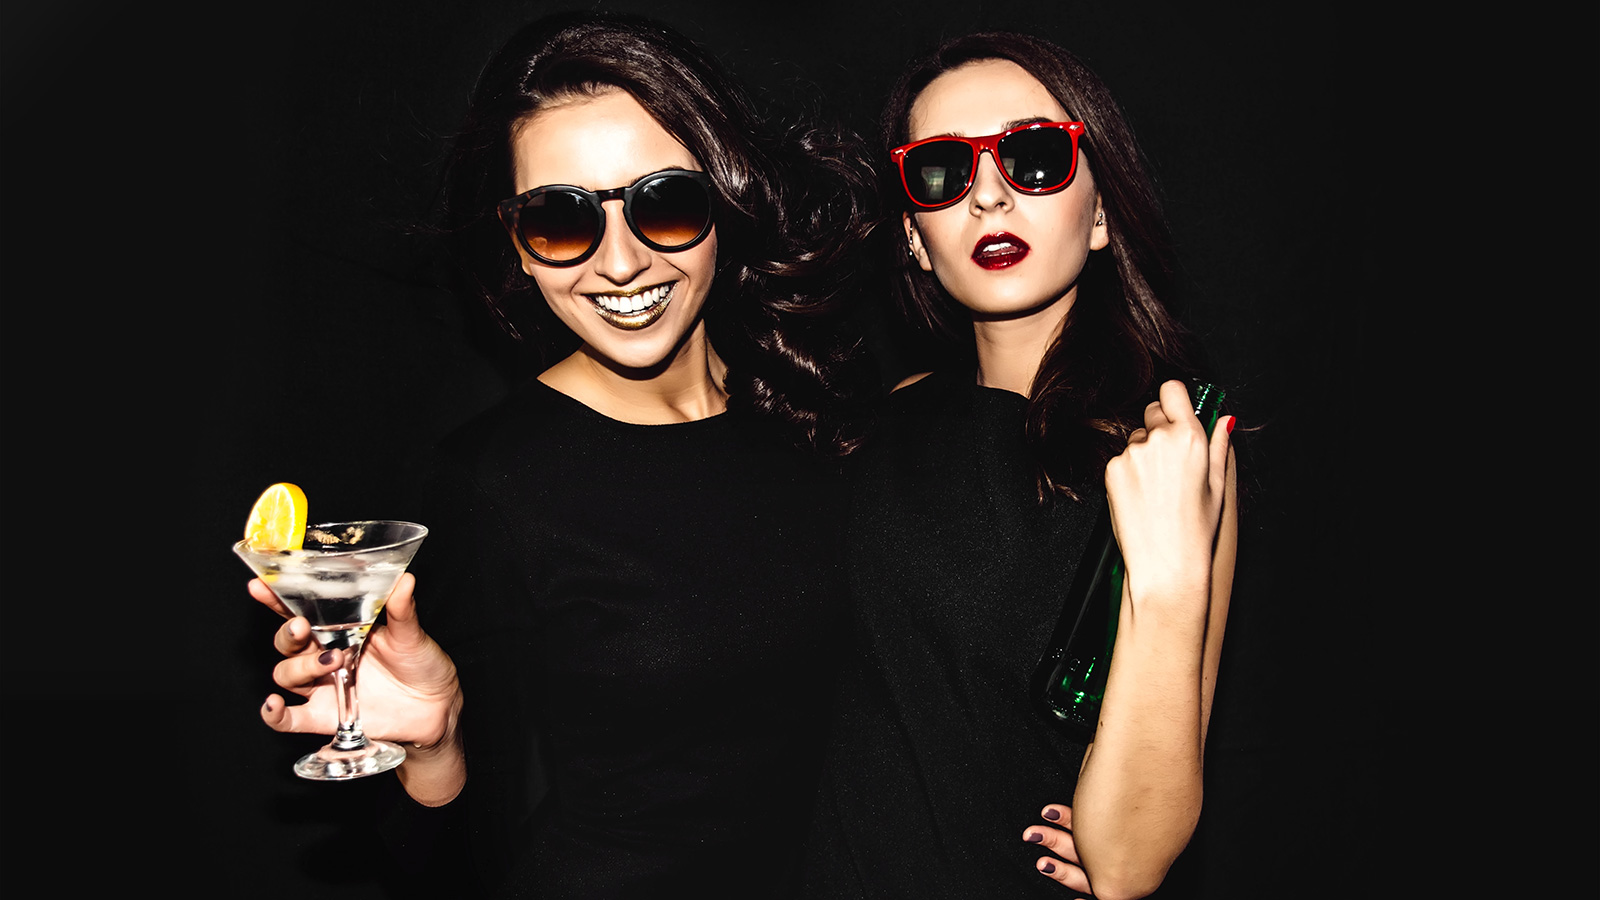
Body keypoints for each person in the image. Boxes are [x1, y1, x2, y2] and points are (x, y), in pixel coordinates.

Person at [247, 11, 874, 896]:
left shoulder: (818, 407)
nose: (618, 263)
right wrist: (437, 742)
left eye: (664, 201)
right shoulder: (494, 482)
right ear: (517, 244)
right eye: (559, 220)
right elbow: (449, 858)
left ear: (724, 202)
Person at [802, 31, 1239, 900]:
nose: (989, 195)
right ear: (914, 238)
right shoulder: (881, 426)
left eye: (1035, 157)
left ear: (1102, 212)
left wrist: (1167, 578)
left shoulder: (1166, 457)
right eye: (941, 171)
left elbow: (1126, 863)